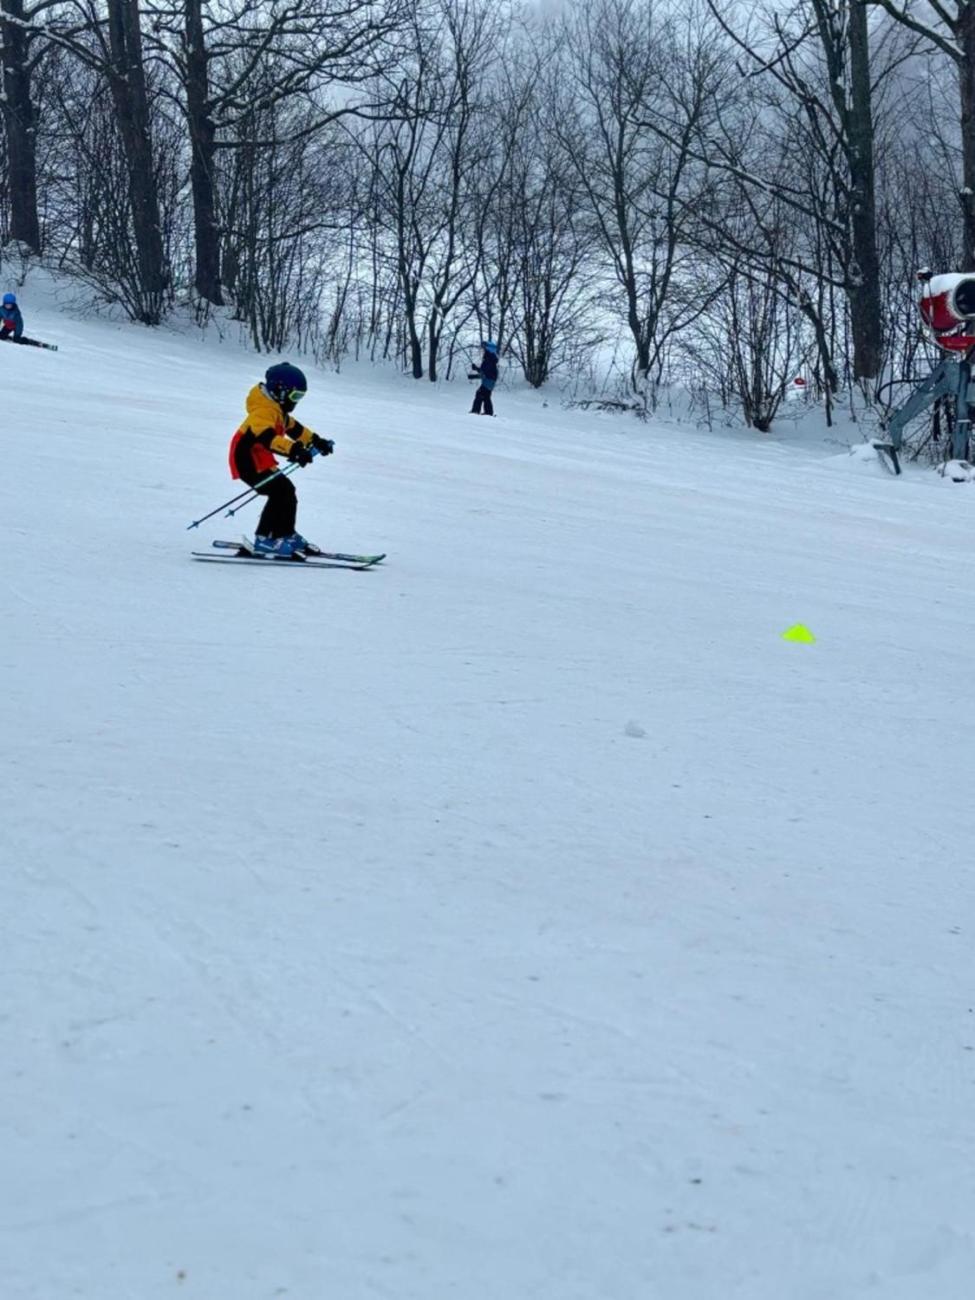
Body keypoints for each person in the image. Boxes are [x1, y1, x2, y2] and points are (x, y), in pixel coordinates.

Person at [228, 362, 334, 558]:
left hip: (260, 459)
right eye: (295, 396)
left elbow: (295, 429)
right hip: (247, 461)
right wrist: (294, 450)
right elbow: (267, 439)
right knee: (280, 493)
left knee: (287, 491)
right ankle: (265, 539)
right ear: (280, 391)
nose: (296, 401)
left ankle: (285, 534)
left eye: (300, 397)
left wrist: (316, 441)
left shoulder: (276, 410)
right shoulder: (263, 411)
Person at [469, 340, 499, 415]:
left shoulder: (489, 358)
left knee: (480, 394)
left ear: (488, 349)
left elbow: (485, 372)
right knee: (486, 396)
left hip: (489, 381)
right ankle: (488, 412)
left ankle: (475, 411)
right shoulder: (489, 357)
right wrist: (476, 368)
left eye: (484, 348)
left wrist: (475, 374)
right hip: (490, 380)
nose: (483, 350)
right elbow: (484, 371)